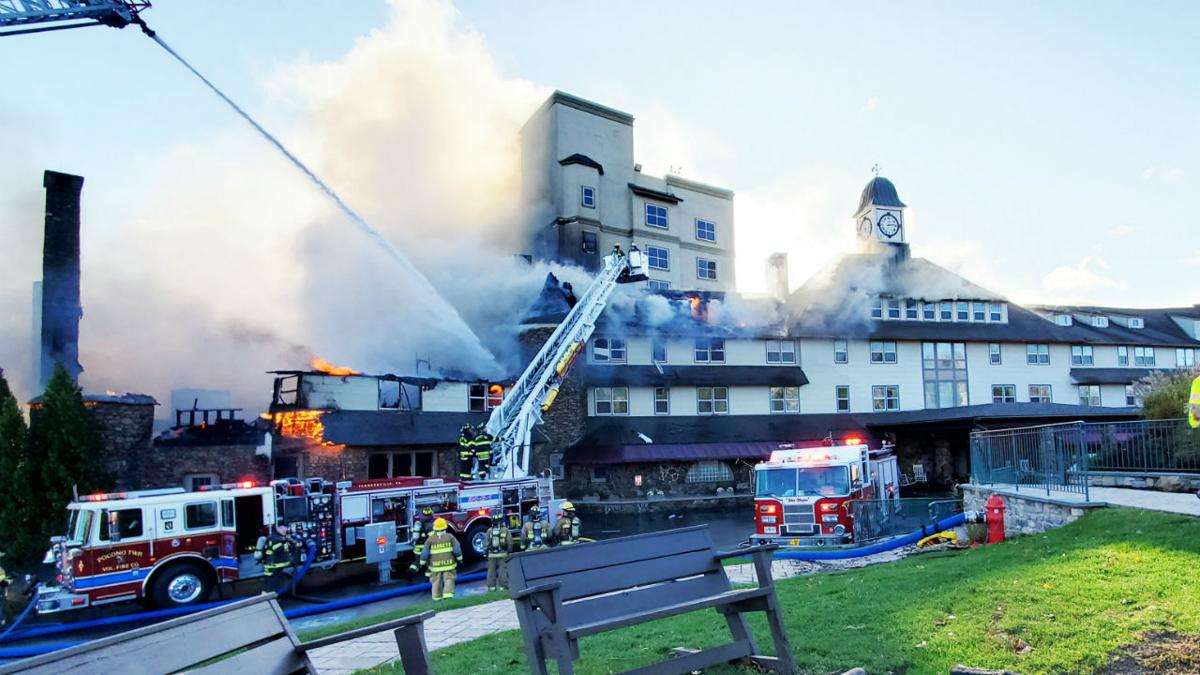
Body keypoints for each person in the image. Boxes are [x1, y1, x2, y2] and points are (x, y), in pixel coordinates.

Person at [420, 518, 462, 601]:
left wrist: (422, 563)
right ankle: (448, 596)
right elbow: (457, 550)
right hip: (449, 565)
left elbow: (424, 553)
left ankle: (437, 598)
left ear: (434, 528)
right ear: (445, 527)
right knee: (449, 578)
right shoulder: (450, 537)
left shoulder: (430, 539)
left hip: (435, 567)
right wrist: (460, 559)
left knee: (435, 581)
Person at [255, 523, 298, 595]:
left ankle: (270, 600)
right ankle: (267, 602)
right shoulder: (277, 540)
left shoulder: (273, 537)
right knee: (270, 586)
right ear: (278, 529)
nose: (286, 529)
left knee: (271, 584)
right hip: (273, 567)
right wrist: (292, 560)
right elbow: (283, 554)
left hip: (272, 567)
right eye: (283, 528)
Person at [485, 513, 514, 591]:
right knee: (502, 571)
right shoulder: (506, 530)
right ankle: (503, 587)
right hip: (503, 554)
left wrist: (485, 553)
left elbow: (486, 543)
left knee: (491, 571)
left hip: (491, 555)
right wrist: (509, 551)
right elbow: (510, 542)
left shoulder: (489, 531)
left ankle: (491, 588)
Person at [408, 506, 436, 575]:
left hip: (417, 549)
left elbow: (413, 536)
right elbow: (433, 538)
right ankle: (428, 578)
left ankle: (409, 573)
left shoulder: (418, 523)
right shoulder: (429, 525)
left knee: (417, 563)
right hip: (425, 548)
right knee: (430, 563)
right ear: (431, 515)